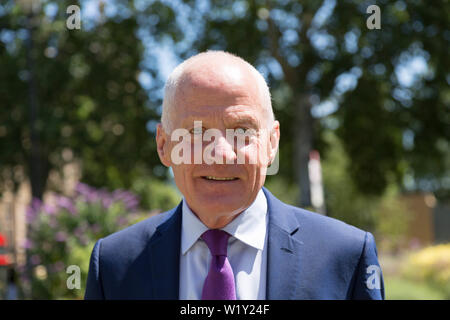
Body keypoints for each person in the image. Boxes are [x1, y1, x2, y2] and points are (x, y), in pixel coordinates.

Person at [85, 51, 384, 300]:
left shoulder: (347, 257)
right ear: (164, 146)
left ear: (271, 143)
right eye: (197, 132)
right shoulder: (113, 265)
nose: (221, 153)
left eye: (242, 131)